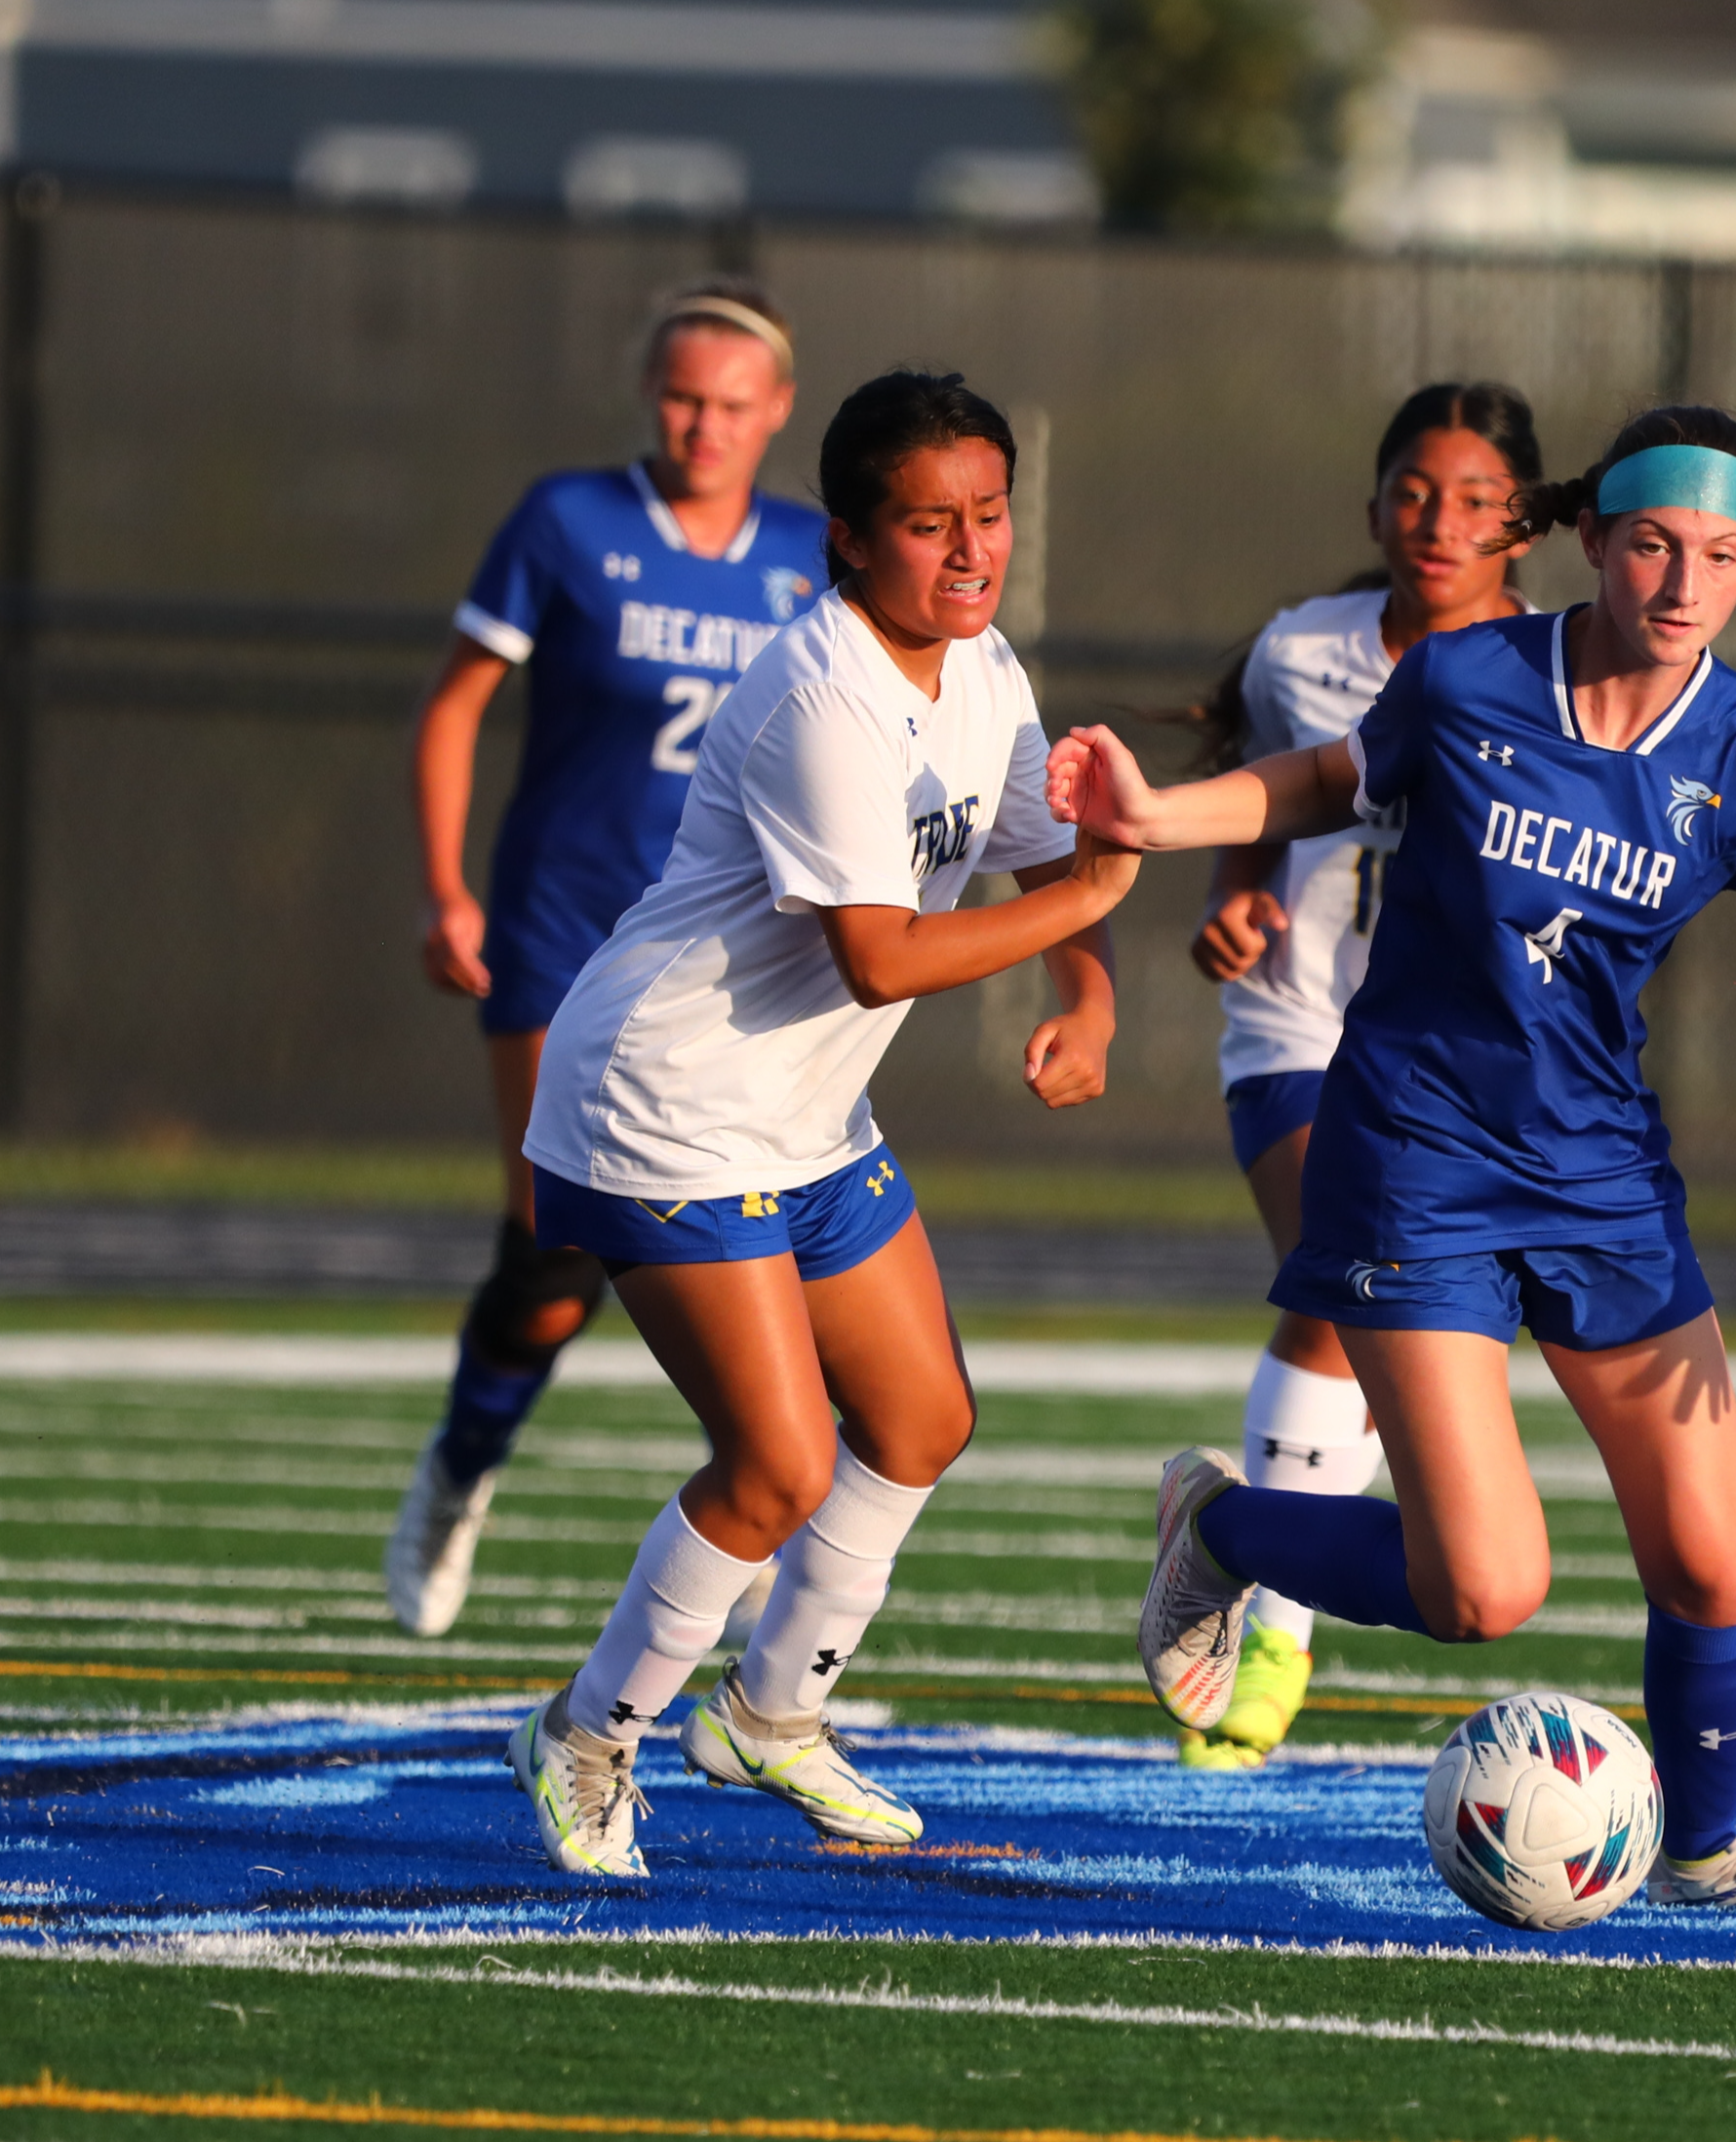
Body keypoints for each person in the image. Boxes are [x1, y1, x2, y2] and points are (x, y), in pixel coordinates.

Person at [1048, 405, 1736, 1922]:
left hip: (1603, 1175)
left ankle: (1706, 1853)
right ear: (1596, 542)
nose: (1685, 584)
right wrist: (1154, 819)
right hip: (1415, 1152)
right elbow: (1321, 783)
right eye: (1656, 545)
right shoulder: (1470, 673)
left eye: (1723, 557)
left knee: (1709, 1563)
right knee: (1482, 1592)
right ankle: (1215, 1523)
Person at [505, 370, 1135, 1878]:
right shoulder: (819, 691)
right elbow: (881, 953)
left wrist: (1093, 994)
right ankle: (589, 1735)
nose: (971, 549)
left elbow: (1056, 862)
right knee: (777, 1467)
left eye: (988, 515)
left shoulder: (983, 674)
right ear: (848, 544)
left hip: (804, 1111)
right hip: (664, 1108)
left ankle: (772, 1716)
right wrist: (1095, 896)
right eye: (930, 524)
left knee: (921, 1420)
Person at [386, 278, 830, 1642]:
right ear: (654, 396)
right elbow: (457, 708)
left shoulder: (817, 552)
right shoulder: (569, 522)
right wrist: (448, 889)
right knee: (558, 1251)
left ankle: (760, 1492)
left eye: (732, 405)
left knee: (774, 1238)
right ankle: (463, 1462)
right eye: (684, 398)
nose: (704, 425)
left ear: (778, 413)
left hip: (734, 956)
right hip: (566, 928)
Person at [1177, 383, 1544, 1772]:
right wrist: (1237, 901)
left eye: (1469, 498)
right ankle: (1271, 1630)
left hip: (1466, 1062)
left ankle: (1233, 1545)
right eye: (1410, 489)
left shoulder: (1559, 668)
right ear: (1372, 502)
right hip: (1306, 1033)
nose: (1434, 520)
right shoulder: (1305, 650)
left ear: (1523, 520)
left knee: (1413, 1341)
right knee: (1350, 1293)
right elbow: (1262, 805)